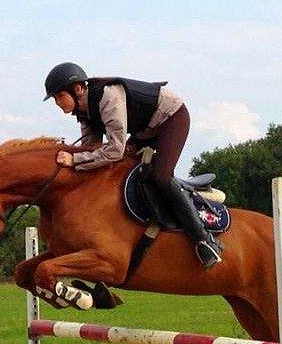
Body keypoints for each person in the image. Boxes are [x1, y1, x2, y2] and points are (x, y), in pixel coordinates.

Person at [43, 62, 223, 268]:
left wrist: (74, 160)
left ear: (77, 89)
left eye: (59, 96)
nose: (57, 102)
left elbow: (114, 150)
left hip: (171, 118)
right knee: (122, 170)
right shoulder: (83, 112)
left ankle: (205, 241)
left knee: (161, 175)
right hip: (144, 131)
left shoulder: (108, 96)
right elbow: (91, 149)